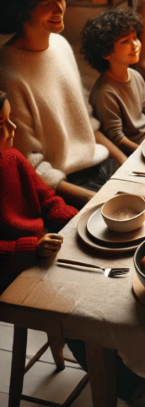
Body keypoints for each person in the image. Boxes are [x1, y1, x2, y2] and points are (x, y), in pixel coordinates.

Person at [0, 0, 125, 208]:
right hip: (67, 187)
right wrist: (93, 200)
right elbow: (29, 166)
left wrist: (126, 163)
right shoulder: (8, 74)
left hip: (101, 165)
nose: (59, 8)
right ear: (22, 8)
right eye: (46, 1)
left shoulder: (60, 44)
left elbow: (87, 125)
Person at [0, 89, 74, 290]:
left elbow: (48, 200)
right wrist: (32, 249)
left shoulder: (13, 158)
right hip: (11, 269)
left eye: (9, 119)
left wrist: (76, 222)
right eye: (1, 123)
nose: (12, 127)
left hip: (44, 247)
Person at [82, 9, 145, 155]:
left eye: (135, 37)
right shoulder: (105, 93)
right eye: (125, 41)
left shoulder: (135, 76)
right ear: (106, 53)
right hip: (134, 153)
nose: (135, 44)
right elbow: (118, 139)